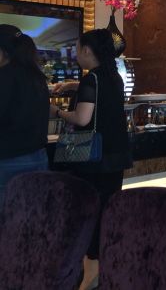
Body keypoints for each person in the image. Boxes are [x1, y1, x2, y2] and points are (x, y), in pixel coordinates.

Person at [53, 29, 131, 287]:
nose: (76, 54)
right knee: (109, 209)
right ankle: (106, 269)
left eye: (77, 49)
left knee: (89, 212)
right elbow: (101, 93)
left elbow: (82, 118)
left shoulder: (91, 79)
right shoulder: (114, 77)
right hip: (117, 154)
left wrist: (57, 112)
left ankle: (89, 272)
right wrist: (74, 85)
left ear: (87, 51)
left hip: (94, 157)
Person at [0, 25, 50, 206]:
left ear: (3, 51)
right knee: (32, 215)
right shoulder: (37, 77)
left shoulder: (4, 76)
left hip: (8, 160)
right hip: (39, 157)